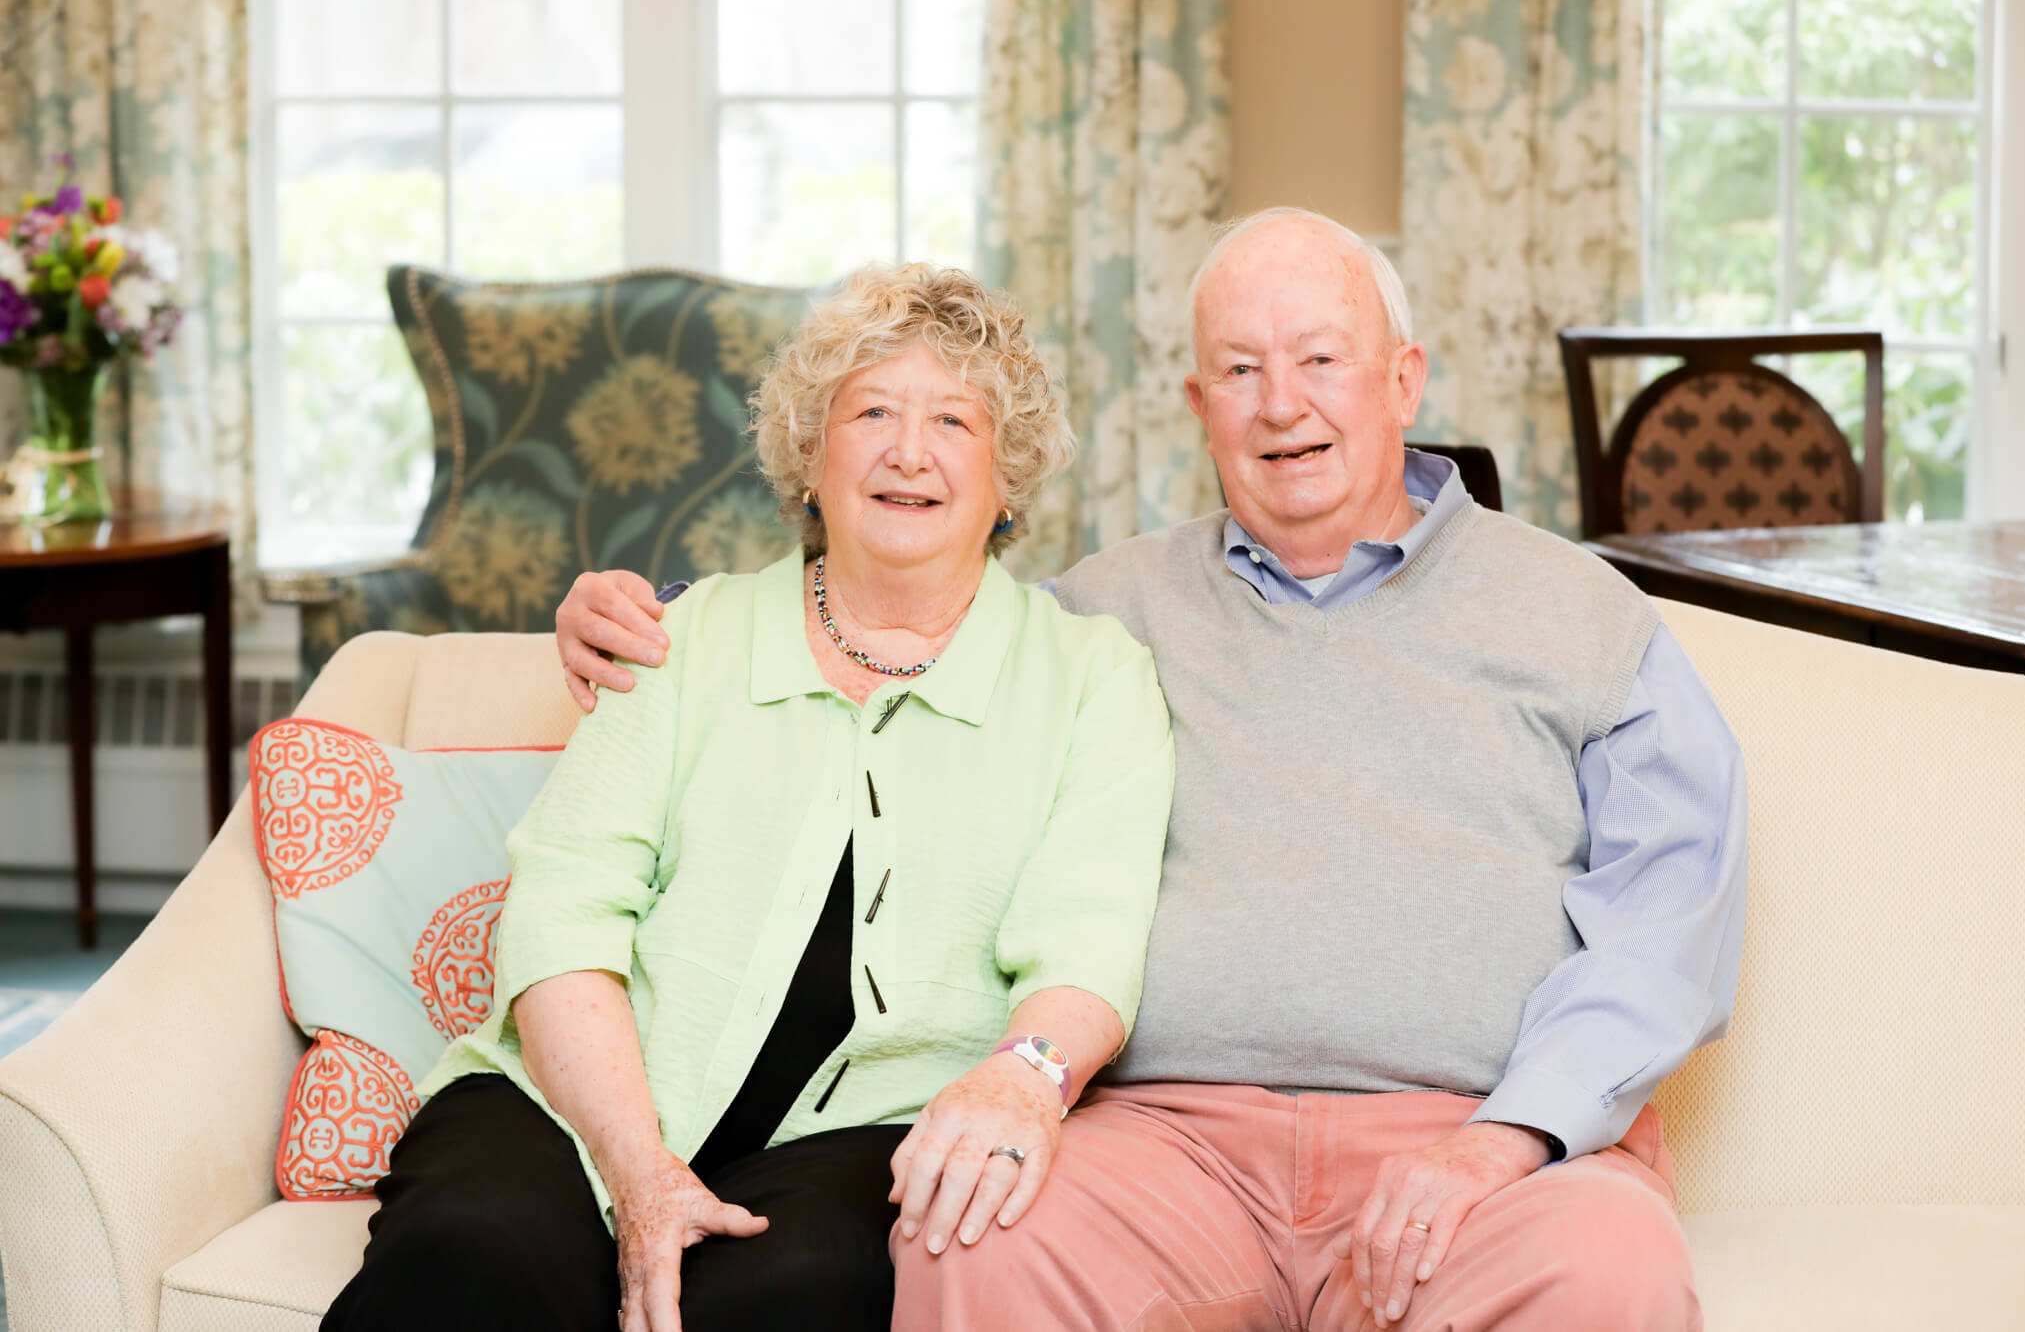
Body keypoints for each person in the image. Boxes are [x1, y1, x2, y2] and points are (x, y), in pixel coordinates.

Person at [556, 209, 1746, 1331]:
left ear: (1403, 379)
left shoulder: (1583, 615)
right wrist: (650, 621)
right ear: (1196, 402)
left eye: (1320, 360)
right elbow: (893, 624)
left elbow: (1667, 922)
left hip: (1474, 1145)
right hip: (1162, 1147)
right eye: (1238, 371)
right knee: (964, 1235)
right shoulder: (1100, 614)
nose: (1281, 406)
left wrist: (1506, 1140)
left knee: (1609, 1267)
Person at [322, 263, 1175, 1332]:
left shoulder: (1090, 676)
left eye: (952, 420)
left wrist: (1020, 1081)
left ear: (1006, 479)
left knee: (791, 1291)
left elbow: (1086, 947)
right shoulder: (672, 640)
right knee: (469, 1253)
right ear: (809, 459)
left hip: (871, 1132)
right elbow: (564, 913)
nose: (908, 450)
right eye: (869, 412)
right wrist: (637, 1167)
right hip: (576, 1104)